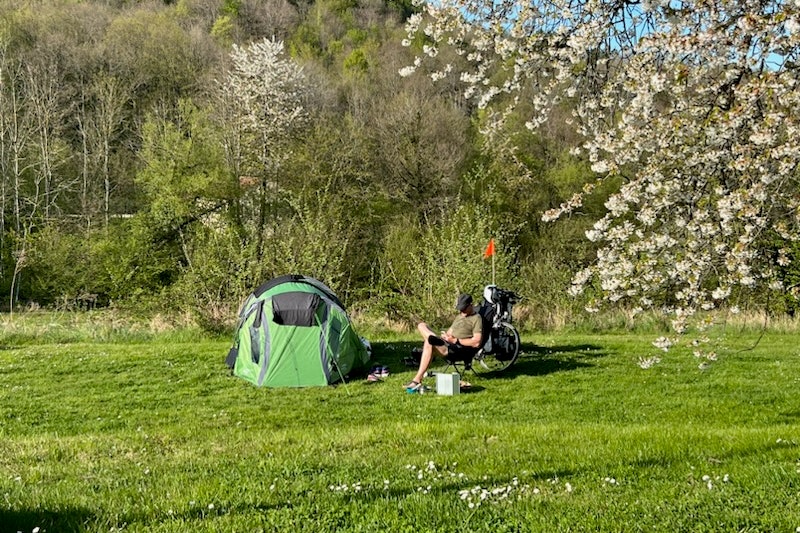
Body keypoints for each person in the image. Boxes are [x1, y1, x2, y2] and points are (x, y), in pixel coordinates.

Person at [404, 293, 483, 391]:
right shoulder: (459, 316)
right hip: (447, 342)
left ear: (471, 305)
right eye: (460, 309)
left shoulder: (477, 319)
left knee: (429, 343)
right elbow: (450, 331)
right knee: (421, 325)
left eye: (463, 308)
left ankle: (417, 379)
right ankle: (431, 338)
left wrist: (455, 340)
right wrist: (446, 336)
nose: (461, 311)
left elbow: (476, 342)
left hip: (457, 349)